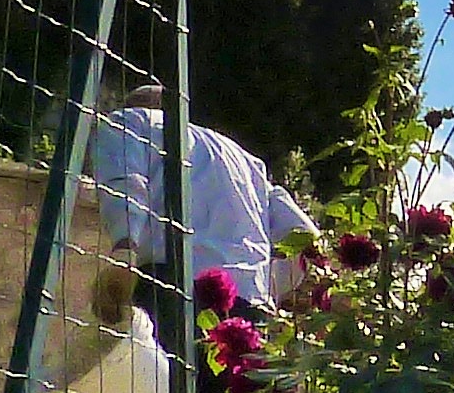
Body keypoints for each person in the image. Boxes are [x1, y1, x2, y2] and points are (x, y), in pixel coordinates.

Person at [84, 85, 319, 308]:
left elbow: (125, 183)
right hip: (248, 301)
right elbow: (306, 235)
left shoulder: (129, 121)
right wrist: (267, 285)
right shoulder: (246, 161)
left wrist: (125, 251)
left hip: (172, 285)